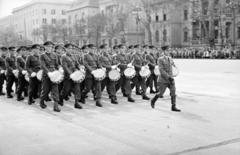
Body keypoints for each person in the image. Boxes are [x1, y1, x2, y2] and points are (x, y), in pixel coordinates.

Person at [151, 46, 181, 112]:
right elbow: (161, 70)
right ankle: (153, 100)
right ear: (163, 51)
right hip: (163, 79)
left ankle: (173, 106)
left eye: (169, 50)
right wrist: (168, 77)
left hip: (171, 79)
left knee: (173, 91)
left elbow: (173, 65)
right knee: (161, 93)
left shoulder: (170, 58)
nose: (168, 51)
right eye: (167, 50)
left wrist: (175, 69)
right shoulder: (160, 59)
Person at [59, 43, 82, 109]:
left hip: (75, 75)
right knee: (66, 90)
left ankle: (76, 103)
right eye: (69, 48)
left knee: (77, 89)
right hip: (68, 76)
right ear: (65, 49)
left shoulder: (74, 56)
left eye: (71, 48)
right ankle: (61, 98)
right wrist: (70, 74)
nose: (70, 49)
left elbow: (77, 64)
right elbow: (65, 66)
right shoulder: (63, 56)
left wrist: (80, 68)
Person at [39, 41, 61, 112]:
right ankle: (42, 101)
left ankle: (56, 106)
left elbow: (57, 64)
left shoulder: (55, 55)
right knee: (45, 90)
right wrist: (48, 73)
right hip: (46, 75)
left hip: (54, 74)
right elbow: (43, 65)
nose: (49, 48)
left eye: (51, 47)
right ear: (45, 47)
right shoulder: (42, 56)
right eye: (48, 46)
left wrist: (60, 69)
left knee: (55, 90)